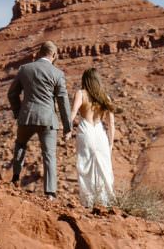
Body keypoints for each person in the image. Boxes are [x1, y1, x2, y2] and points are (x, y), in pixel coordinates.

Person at [7, 40, 72, 198]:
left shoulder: (25, 69)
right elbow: (63, 101)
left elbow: (12, 94)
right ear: (54, 55)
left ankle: (15, 177)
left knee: (20, 144)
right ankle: (50, 193)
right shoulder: (57, 74)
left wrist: (18, 112)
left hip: (27, 117)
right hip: (48, 120)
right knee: (49, 155)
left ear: (39, 53)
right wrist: (67, 127)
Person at [70, 67, 118, 208]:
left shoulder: (81, 93)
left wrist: (67, 128)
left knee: (86, 166)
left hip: (86, 131)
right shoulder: (105, 97)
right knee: (104, 168)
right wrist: (111, 143)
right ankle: (106, 202)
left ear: (85, 80)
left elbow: (73, 111)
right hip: (100, 134)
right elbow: (111, 123)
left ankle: (89, 203)